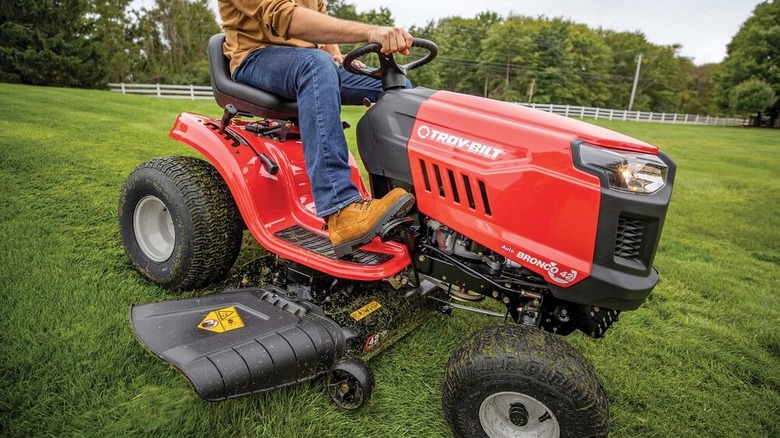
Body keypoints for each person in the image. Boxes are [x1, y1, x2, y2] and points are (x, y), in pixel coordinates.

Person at [218, 0, 416, 257]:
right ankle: (340, 209)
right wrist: (370, 32)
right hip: (255, 59)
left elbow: (317, 14)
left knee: (395, 85)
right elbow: (285, 17)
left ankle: (403, 198)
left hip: (310, 60)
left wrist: (335, 54)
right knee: (316, 65)